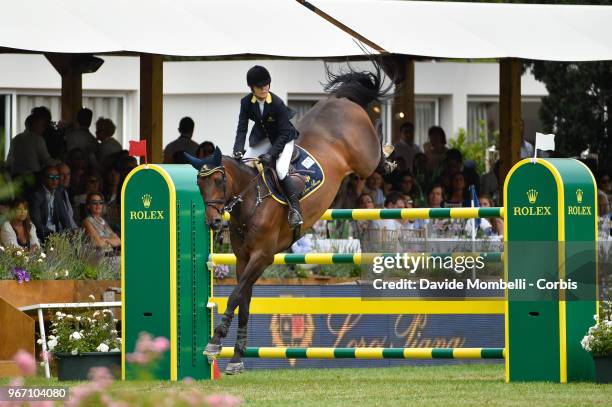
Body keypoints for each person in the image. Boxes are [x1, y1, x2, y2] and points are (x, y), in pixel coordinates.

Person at [232, 65, 301, 228]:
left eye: (266, 85)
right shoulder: (246, 102)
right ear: (251, 88)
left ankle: (295, 210)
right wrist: (237, 149)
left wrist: (271, 154)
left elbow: (284, 133)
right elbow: (242, 128)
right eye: (259, 86)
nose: (264, 89)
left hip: (284, 138)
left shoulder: (277, 103)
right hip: (264, 137)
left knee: (281, 170)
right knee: (243, 165)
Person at [29, 166, 76, 242]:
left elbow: (64, 216)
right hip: (40, 235)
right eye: (51, 177)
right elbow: (37, 222)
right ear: (43, 179)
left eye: (57, 177)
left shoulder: (57, 192)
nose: (54, 180)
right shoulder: (37, 195)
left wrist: (70, 232)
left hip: (55, 233)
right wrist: (53, 235)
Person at [6, 110, 59, 178]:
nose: (44, 129)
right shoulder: (38, 139)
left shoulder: (15, 139)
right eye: (42, 126)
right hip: (33, 177)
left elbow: (8, 163)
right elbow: (47, 160)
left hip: (16, 178)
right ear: (35, 124)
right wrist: (59, 162)